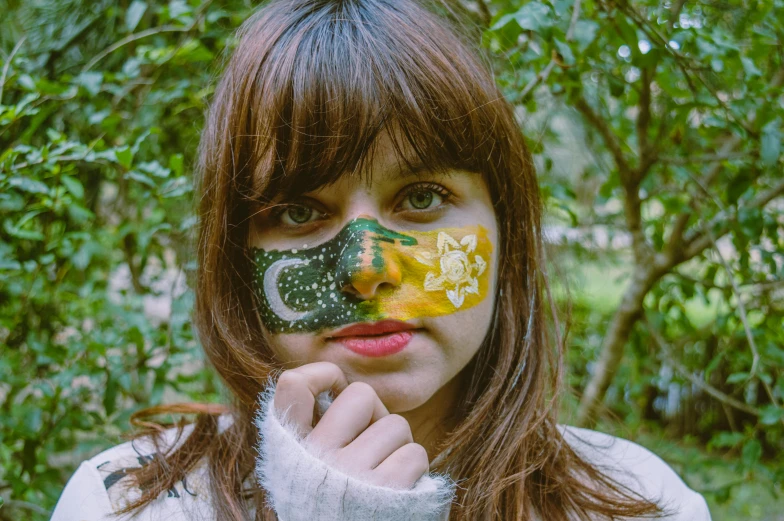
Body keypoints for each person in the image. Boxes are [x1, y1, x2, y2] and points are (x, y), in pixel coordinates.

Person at [50, 0, 713, 519]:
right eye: (300, 210)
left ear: (506, 232)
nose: (367, 270)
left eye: (421, 197)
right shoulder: (123, 504)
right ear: (236, 258)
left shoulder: (640, 503)